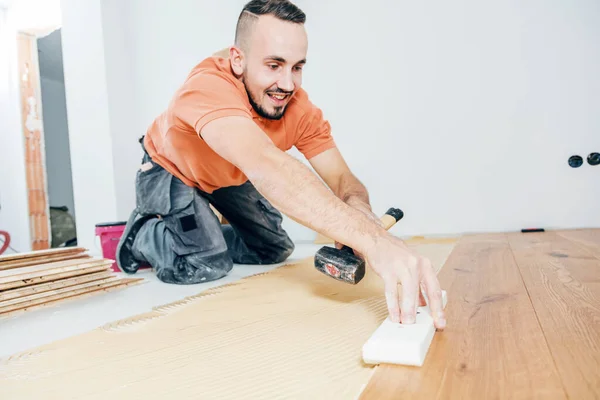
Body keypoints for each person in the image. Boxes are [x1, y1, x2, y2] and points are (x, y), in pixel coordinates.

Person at [116, 0, 446, 330]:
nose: (287, 84)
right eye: (273, 65)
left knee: (274, 248)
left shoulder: (296, 107)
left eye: (297, 67)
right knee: (205, 263)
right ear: (237, 60)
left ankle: (199, 229)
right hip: (171, 170)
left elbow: (342, 177)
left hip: (223, 176)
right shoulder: (207, 87)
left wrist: (358, 211)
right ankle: (144, 235)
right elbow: (266, 163)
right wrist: (373, 242)